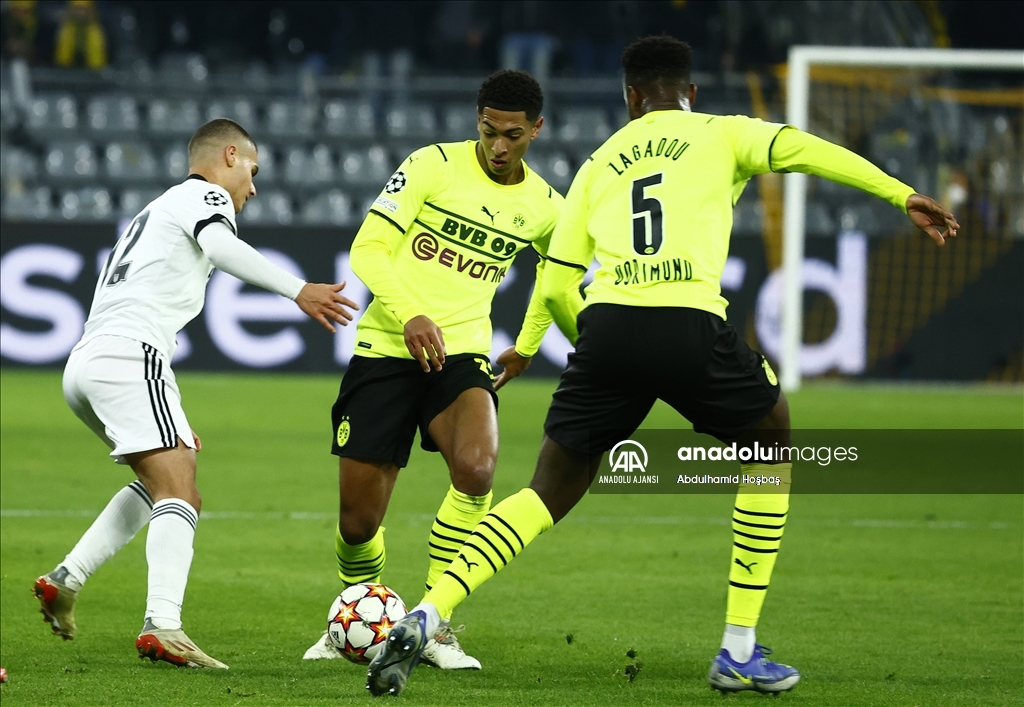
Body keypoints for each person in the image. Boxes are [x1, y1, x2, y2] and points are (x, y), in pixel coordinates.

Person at [366, 36, 960, 697]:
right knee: (771, 438)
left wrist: (534, 345)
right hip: (688, 324)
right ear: (690, 92)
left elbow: (557, 282)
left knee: (545, 488)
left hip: (609, 329)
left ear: (630, 97)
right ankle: (738, 648)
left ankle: (429, 611)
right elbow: (807, 150)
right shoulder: (723, 132)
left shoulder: (598, 162)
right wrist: (899, 193)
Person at [34, 118, 359, 669]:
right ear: (229, 155)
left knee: (163, 480)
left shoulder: (156, 209)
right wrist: (298, 289)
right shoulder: (204, 195)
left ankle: (67, 577)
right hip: (130, 356)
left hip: (89, 362)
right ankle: (163, 625)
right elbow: (221, 246)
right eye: (252, 170)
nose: (252, 188)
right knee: (181, 492)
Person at [302, 70, 562, 669]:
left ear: (537, 130)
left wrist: (526, 345)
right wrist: (411, 314)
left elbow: (559, 275)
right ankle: (357, 617)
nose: (499, 146)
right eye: (489, 131)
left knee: (477, 469)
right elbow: (367, 248)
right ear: (478, 120)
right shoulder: (431, 165)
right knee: (358, 523)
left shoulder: (547, 206)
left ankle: (433, 624)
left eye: (513, 135)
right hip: (386, 349)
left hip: (462, 354)